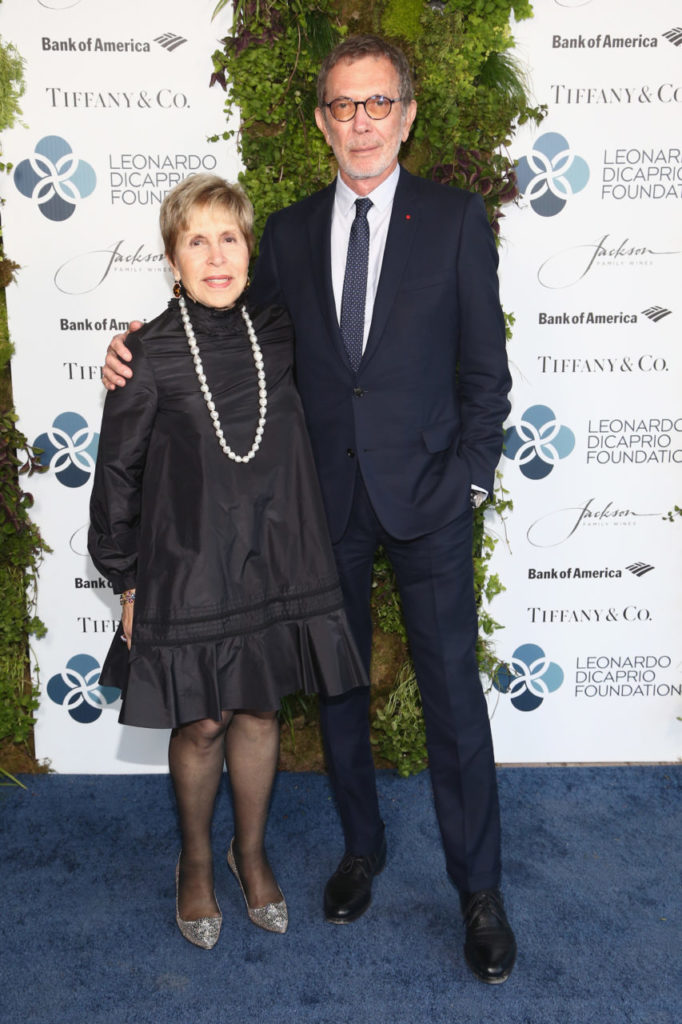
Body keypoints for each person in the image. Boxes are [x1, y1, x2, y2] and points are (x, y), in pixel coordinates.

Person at [102, 36, 517, 983]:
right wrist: (130, 355)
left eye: (378, 104)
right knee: (337, 693)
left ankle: (479, 889)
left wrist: (471, 479)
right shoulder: (282, 235)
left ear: (406, 115)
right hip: (316, 509)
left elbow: (486, 375)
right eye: (343, 106)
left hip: (429, 499)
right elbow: (227, 332)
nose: (361, 121)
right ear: (322, 122)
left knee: (454, 697)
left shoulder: (455, 221)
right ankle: (358, 849)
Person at [89, 173, 368, 950]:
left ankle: (251, 853)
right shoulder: (144, 355)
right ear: (172, 258)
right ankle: (198, 860)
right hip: (186, 563)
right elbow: (116, 475)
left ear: (250, 250)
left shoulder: (281, 329)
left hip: (278, 554)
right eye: (196, 240)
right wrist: (128, 581)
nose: (216, 256)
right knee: (204, 719)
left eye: (230, 238)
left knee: (259, 709)